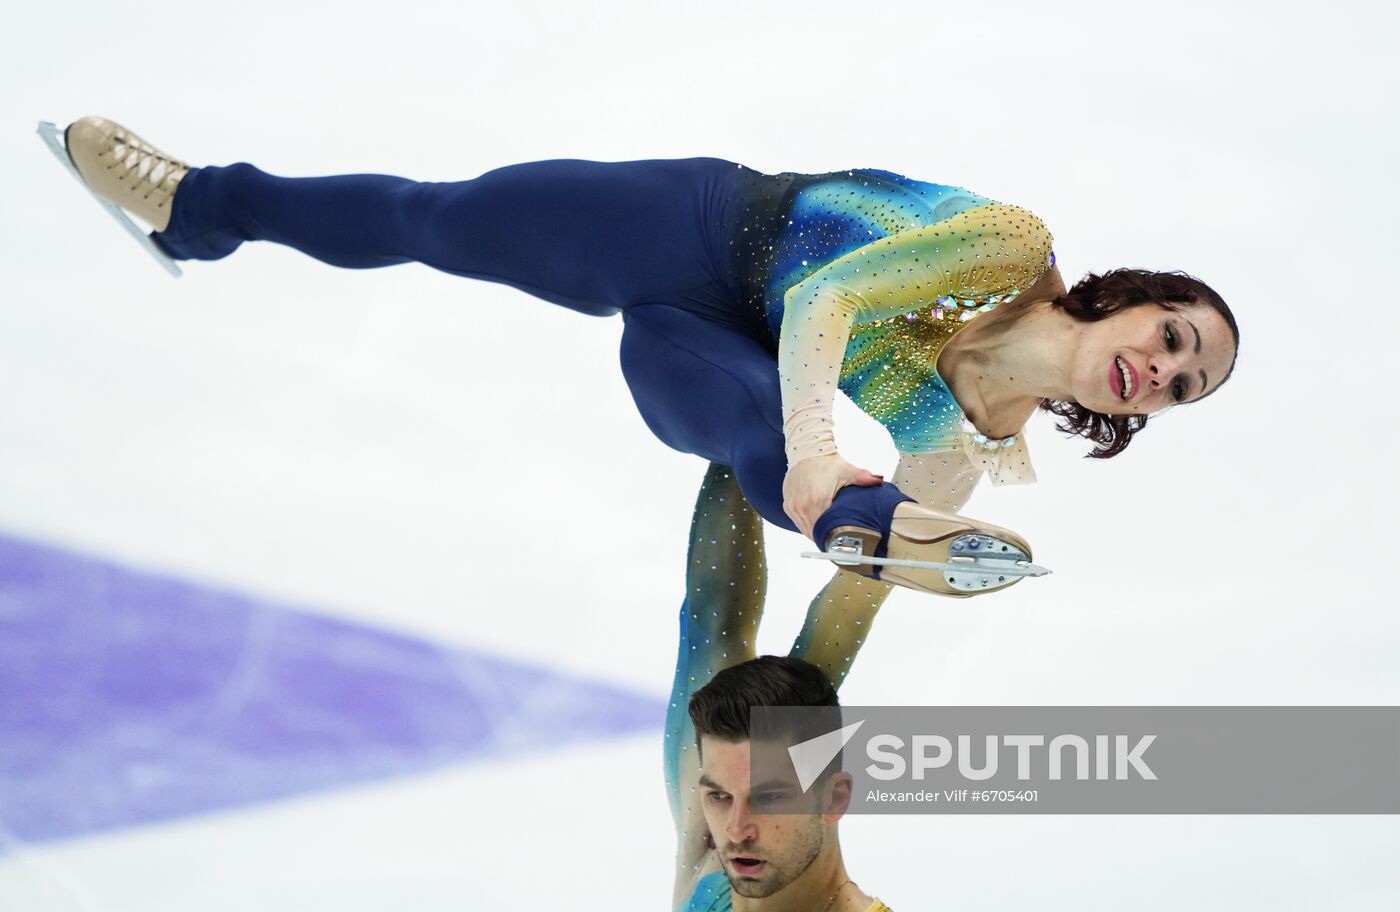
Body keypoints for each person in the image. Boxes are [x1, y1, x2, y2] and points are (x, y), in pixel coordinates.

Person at [50, 116, 1240, 599]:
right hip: (695, 224)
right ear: (1134, 301)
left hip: (711, 345)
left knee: (750, 441)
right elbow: (828, 293)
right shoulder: (1010, 245)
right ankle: (197, 208)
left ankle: (835, 513)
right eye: (1174, 337)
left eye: (1184, 386)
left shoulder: (961, 450)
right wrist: (829, 454)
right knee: (436, 218)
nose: (1163, 369)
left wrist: (799, 719)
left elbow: (864, 602)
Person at [667, 463, 890, 911]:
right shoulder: (717, 865)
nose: (735, 830)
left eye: (769, 797)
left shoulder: (712, 874)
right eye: (717, 795)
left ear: (836, 798)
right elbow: (709, 617)